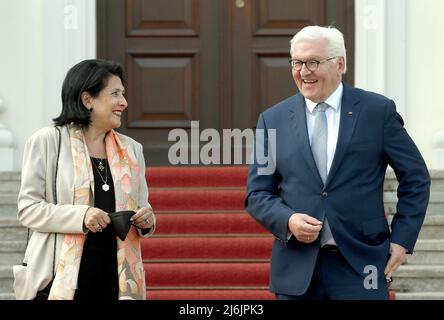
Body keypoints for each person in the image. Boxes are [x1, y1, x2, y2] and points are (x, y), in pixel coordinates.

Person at [245, 26, 430, 299]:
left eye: (313, 62)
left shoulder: (378, 112)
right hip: (296, 270)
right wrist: (288, 219)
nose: (303, 71)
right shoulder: (272, 120)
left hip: (361, 264)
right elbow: (257, 193)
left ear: (340, 64)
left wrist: (401, 239)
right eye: (297, 62)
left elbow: (415, 177)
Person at [14, 59, 156, 300]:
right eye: (115, 93)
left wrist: (147, 219)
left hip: (115, 280)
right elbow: (28, 209)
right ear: (87, 99)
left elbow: (143, 205)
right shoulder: (48, 142)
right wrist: (81, 215)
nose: (124, 102)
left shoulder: (132, 150)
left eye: (123, 93)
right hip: (60, 280)